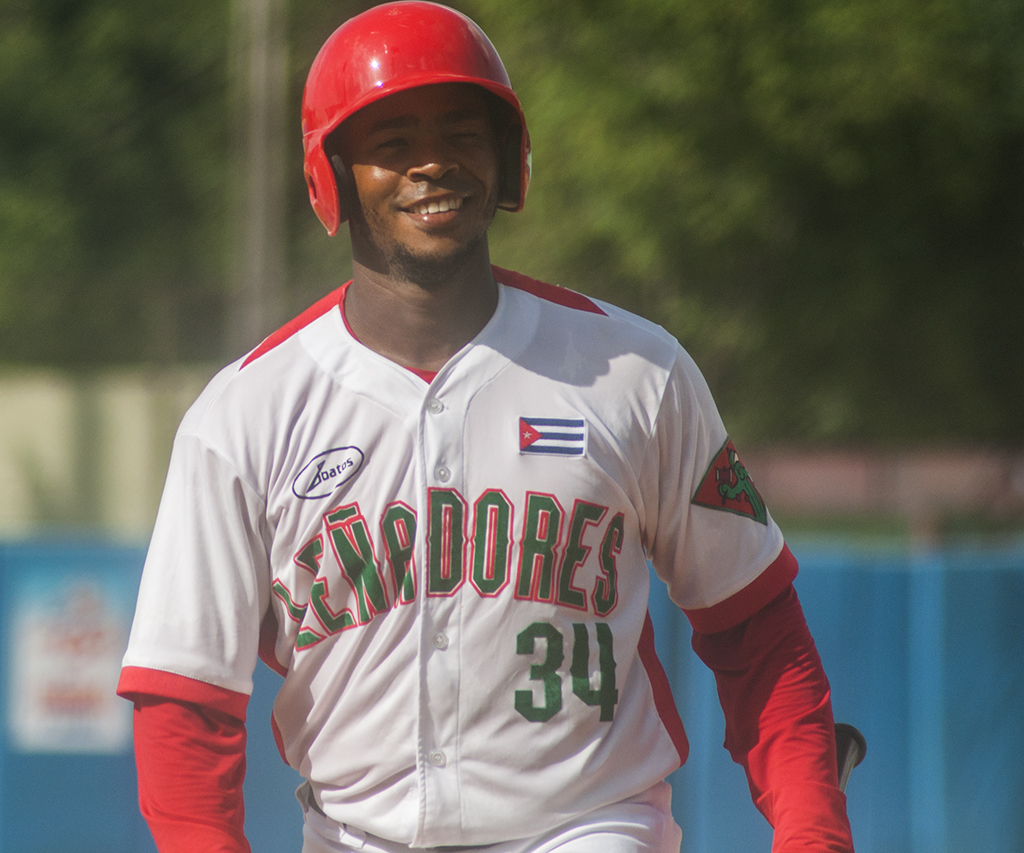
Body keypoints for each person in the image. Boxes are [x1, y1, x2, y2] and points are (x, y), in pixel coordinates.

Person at [118, 3, 855, 852]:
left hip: (587, 825)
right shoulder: (244, 414)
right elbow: (184, 702)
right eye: (392, 140)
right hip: (355, 835)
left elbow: (757, 631)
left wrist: (813, 832)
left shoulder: (633, 372)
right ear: (333, 174)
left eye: (462, 132)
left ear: (507, 159)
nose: (433, 163)